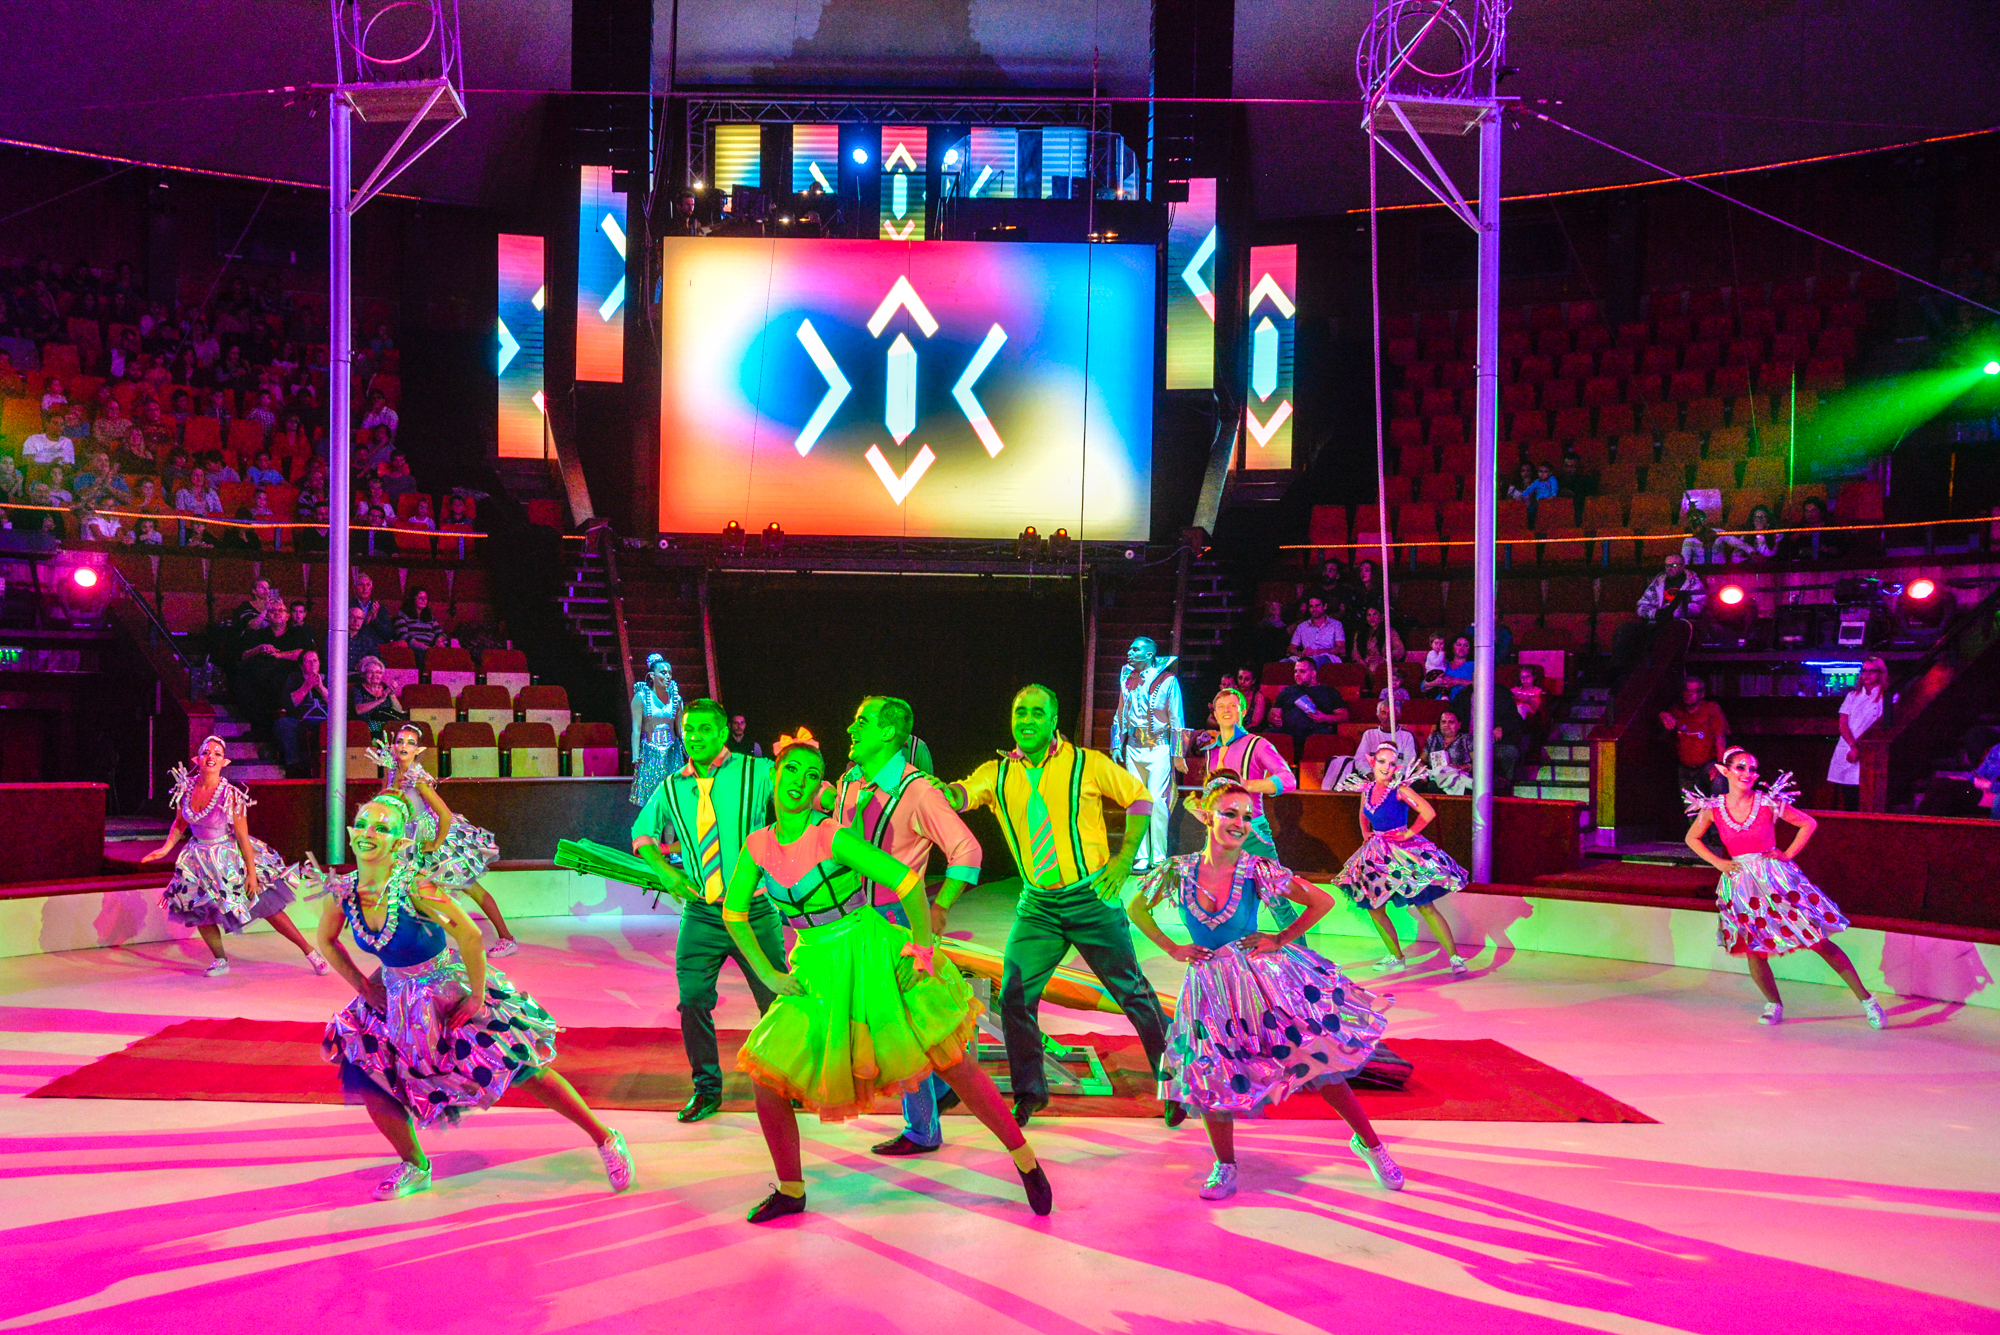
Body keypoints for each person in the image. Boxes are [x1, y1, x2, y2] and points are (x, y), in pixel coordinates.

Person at [723, 730, 1052, 1223]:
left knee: (950, 1059)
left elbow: (906, 880)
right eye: (792, 770)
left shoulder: (831, 836)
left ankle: (1025, 1160)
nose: (800, 782)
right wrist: (768, 974)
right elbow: (733, 912)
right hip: (815, 966)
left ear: (819, 786)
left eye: (812, 775)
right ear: (775, 775)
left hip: (871, 950)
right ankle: (791, 1190)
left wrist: (921, 946)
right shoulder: (757, 845)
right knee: (765, 1077)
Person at [311, 793, 633, 1201]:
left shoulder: (416, 887)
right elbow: (326, 939)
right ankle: (415, 1165)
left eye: (382, 827)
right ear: (350, 832)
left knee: (520, 1068)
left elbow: (470, 934)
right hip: (393, 994)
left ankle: (606, 1138)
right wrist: (362, 985)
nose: (368, 833)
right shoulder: (343, 892)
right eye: (362, 824)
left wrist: (477, 997)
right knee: (369, 1073)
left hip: (445, 988)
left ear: (399, 841)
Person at [1129, 776, 1403, 1200]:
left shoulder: (1257, 869)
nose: (1240, 823)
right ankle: (1225, 1165)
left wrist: (1280, 938)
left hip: (1262, 983)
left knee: (1317, 1058)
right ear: (1206, 815)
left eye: (1246, 816)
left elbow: (1322, 901)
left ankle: (1371, 1145)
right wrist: (1171, 947)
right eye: (1229, 813)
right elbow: (1136, 907)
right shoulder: (1178, 871)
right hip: (1208, 987)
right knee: (1214, 1070)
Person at [943, 685, 1173, 1126]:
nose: (1027, 720)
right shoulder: (996, 773)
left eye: (1037, 712)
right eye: (1020, 712)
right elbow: (961, 795)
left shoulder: (1087, 762)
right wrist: (937, 790)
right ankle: (1030, 1092)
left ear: (1053, 720)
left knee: (1133, 993)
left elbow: (1141, 798)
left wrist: (1124, 859)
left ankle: (1175, 1082)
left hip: (1091, 899)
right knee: (1014, 997)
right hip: (1038, 907)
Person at [823, 697, 984, 1158]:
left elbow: (967, 850)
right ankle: (939, 1095)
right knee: (894, 1024)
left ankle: (923, 1128)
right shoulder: (850, 783)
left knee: (906, 1026)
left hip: (894, 921)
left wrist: (940, 906)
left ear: (889, 732)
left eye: (862, 721)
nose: (851, 728)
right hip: (854, 921)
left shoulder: (918, 791)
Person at [631, 698, 784, 1123]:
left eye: (703, 729)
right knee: (693, 1001)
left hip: (753, 910)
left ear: (722, 732)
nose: (695, 737)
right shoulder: (671, 787)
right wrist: (665, 872)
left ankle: (786, 1081)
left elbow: (805, 797)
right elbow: (641, 833)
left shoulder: (757, 771)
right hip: (701, 913)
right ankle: (706, 1089)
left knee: (776, 1002)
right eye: (689, 730)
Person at [1682, 749, 1883, 1027]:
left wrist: (1787, 854)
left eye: (1753, 769)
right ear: (1725, 771)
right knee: (1754, 948)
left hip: (1777, 880)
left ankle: (1867, 1000)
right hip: (1741, 883)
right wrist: (1718, 862)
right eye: (1740, 767)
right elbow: (1692, 838)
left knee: (1817, 940)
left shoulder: (1767, 802)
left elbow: (1807, 823)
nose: (1748, 773)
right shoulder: (1713, 808)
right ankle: (1773, 1003)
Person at [138, 737, 327, 977]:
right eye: (206, 752)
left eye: (217, 753)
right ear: (197, 759)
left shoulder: (231, 795)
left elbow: (242, 836)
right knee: (200, 912)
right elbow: (180, 823)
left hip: (228, 859)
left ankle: (310, 952)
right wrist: (166, 848)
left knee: (267, 906)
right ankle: (220, 960)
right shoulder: (185, 788)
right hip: (197, 860)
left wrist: (251, 874)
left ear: (225, 762)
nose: (211, 756)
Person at [370, 723, 519, 955]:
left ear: (418, 750)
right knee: (417, 894)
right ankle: (431, 946)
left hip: (432, 838)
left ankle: (506, 938)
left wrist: (435, 845)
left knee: (470, 887)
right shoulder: (391, 771)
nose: (404, 746)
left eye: (410, 742)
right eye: (400, 741)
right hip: (407, 841)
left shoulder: (417, 778)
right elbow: (385, 801)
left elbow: (445, 815)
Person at [1335, 744, 1471, 975]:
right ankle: (1396, 956)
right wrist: (1365, 831)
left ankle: (1455, 957)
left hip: (1403, 854)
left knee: (1425, 905)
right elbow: (1364, 813)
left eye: (1391, 763)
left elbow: (1428, 812)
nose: (1386, 767)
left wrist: (1408, 833)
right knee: (1374, 906)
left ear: (1396, 767)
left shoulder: (1400, 789)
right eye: (1381, 761)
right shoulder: (1366, 789)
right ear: (1372, 762)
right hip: (1376, 855)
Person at [1110, 637, 1185, 874]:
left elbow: (1177, 718)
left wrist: (1178, 754)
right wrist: (1116, 743)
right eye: (1130, 648)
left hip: (1159, 747)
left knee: (1158, 802)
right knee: (1137, 802)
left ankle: (1159, 855)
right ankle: (1141, 855)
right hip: (1134, 747)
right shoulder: (1127, 678)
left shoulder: (1167, 680)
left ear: (1149, 654)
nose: (1129, 652)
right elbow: (1120, 712)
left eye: (1136, 649)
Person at [1200, 687, 1297, 860]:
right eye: (1221, 707)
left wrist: (1247, 784)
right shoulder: (1210, 751)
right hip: (1218, 835)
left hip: (1252, 832)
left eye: (1232, 706)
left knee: (1267, 878)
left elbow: (1288, 780)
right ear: (1215, 714)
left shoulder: (1258, 744)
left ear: (1243, 712)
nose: (1226, 710)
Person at [1612, 554, 1709, 676]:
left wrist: (1673, 613)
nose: (1669, 569)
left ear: (1683, 566)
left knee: (1668, 634)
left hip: (1680, 624)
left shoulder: (1692, 582)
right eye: (1667, 566)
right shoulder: (1658, 583)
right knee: (1626, 630)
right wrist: (1655, 614)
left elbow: (1698, 605)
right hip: (1655, 624)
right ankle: (1620, 673)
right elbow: (1642, 605)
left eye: (1674, 565)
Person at [1827, 657, 1886, 810]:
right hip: (1848, 747)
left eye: (1872, 671)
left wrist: (1859, 747)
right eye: (1864, 671)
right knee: (1849, 796)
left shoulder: (1887, 697)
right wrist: (1853, 746)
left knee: (1868, 795)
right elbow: (1843, 724)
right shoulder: (1852, 696)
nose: (1867, 674)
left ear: (1881, 673)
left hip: (1870, 751)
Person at [629, 654, 685, 809]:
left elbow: (680, 730)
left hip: (672, 752)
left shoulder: (676, 699)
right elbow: (636, 729)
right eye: (663, 673)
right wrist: (635, 755)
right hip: (650, 752)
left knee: (671, 801)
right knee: (651, 802)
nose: (668, 677)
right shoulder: (641, 697)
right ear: (652, 676)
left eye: (670, 673)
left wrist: (689, 751)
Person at [1323, 699, 1417, 790]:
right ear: (1378, 715)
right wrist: (1371, 775)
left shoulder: (1407, 736)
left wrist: (1392, 777)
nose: (1387, 717)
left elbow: (1409, 762)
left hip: (1396, 780)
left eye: (1391, 713)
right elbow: (1360, 759)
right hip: (1370, 779)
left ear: (1398, 715)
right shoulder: (1369, 734)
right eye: (1383, 713)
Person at [1662, 675, 1729, 796]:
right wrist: (1662, 715)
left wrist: (1720, 764)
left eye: (1693, 691)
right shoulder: (1676, 710)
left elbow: (1720, 738)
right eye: (1686, 690)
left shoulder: (1711, 709)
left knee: (1719, 796)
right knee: (1690, 805)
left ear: (1702, 694)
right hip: (1685, 769)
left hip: (1708, 766)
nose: (1688, 694)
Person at [1272, 657, 1347, 754]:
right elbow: (1273, 713)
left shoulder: (1329, 691)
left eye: (1302, 672)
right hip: (1289, 730)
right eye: (1295, 671)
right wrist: (1275, 718)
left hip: (1316, 731)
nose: (1297, 675)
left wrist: (1324, 718)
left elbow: (1344, 716)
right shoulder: (1288, 691)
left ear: (1313, 673)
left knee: (1325, 737)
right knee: (1268, 734)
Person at [274, 648, 331, 775]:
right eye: (308, 661)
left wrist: (320, 688)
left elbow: (336, 703)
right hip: (301, 720)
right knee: (283, 724)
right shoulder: (294, 678)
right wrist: (306, 686)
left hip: (326, 722)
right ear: (301, 666)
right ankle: (294, 766)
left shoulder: (328, 678)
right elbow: (289, 704)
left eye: (315, 661)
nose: (312, 664)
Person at [350, 656, 407, 737]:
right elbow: (358, 710)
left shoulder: (385, 687)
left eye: (378, 672)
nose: (374, 675)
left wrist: (392, 695)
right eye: (370, 672)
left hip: (388, 726)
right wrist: (381, 700)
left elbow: (398, 711)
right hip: (367, 727)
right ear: (364, 674)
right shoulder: (358, 689)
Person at [1423, 709, 1473, 795]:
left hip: (1458, 776)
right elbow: (1422, 759)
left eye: (1451, 722)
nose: (1446, 725)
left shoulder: (1466, 739)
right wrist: (1422, 770)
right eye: (1443, 722)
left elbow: (1479, 764)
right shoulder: (1433, 738)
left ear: (1459, 724)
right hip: (1435, 777)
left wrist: (1459, 767)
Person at [1350, 605, 1405, 677]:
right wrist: (1360, 661)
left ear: (1382, 616)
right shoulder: (1360, 633)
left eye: (1375, 614)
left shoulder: (1390, 632)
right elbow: (1355, 651)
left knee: (1373, 669)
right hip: (1363, 663)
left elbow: (1399, 648)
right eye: (1369, 615)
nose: (1371, 618)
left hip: (1381, 663)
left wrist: (1386, 659)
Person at [1288, 596, 1346, 664]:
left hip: (1327, 657)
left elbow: (1341, 649)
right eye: (1311, 606)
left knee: (1314, 661)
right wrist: (1301, 654)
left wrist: (1320, 651)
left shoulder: (1336, 625)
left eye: (1317, 606)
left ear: (1325, 606)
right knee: (1284, 662)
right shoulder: (1302, 627)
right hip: (1305, 658)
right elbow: (1291, 648)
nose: (1314, 609)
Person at [1972, 740, 2000, 819]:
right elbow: (1980, 773)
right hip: (1984, 796)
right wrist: (1975, 779)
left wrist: (1991, 786)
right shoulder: (1997, 749)